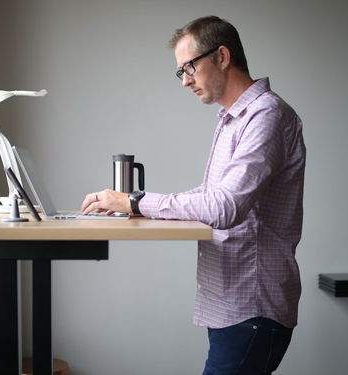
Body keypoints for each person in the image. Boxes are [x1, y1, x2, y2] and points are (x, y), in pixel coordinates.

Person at [80, 15, 305, 375]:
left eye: (189, 67)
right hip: (233, 304)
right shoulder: (233, 118)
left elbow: (225, 206)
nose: (185, 80)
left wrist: (134, 201)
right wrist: (139, 207)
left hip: (251, 306)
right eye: (180, 71)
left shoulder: (266, 116)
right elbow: (211, 195)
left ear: (222, 57)